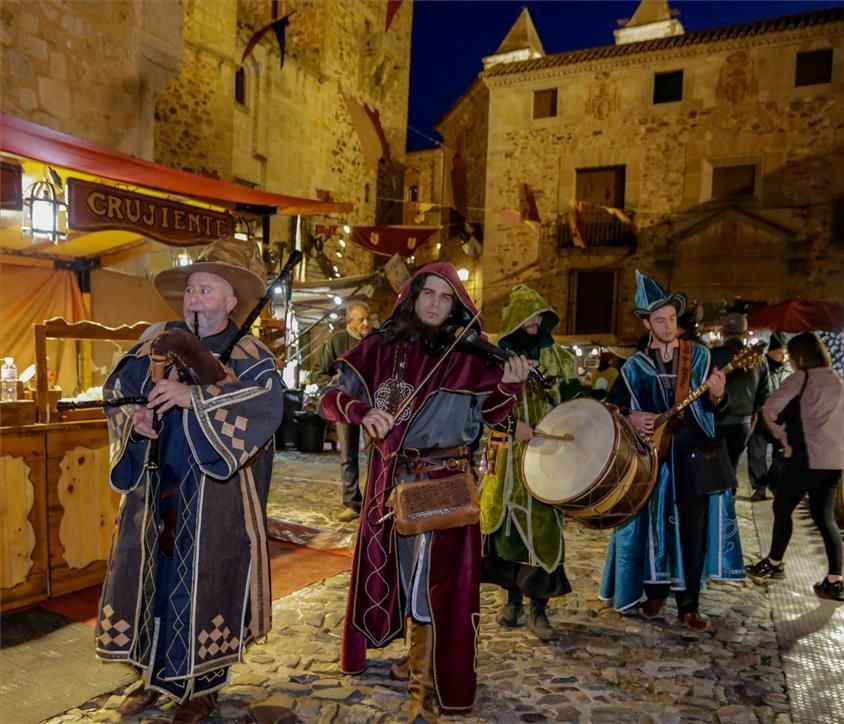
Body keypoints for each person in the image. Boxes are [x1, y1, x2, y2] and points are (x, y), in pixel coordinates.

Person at [319, 263, 529, 722]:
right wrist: (359, 410)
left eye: (445, 297)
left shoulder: (472, 357)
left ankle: (425, 694)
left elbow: (491, 416)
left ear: (456, 305)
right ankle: (416, 663)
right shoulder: (380, 347)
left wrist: (510, 386)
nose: (435, 303)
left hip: (449, 485)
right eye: (428, 293)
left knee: (434, 589)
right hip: (391, 482)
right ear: (412, 297)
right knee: (401, 579)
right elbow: (329, 395)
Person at [97, 239, 283, 723]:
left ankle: (202, 686)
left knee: (207, 587)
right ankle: (148, 675)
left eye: (207, 290)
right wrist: (135, 421)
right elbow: (118, 390)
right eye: (191, 290)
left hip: (214, 499)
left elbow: (263, 409)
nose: (195, 299)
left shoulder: (251, 356)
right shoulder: (156, 341)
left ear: (230, 302)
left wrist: (192, 398)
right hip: (154, 491)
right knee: (149, 585)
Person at [600, 271, 744, 633]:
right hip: (653, 463)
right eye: (660, 320)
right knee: (654, 529)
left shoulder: (698, 357)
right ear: (647, 323)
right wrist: (633, 416)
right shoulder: (633, 367)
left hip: (694, 460)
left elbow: (717, 408)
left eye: (672, 319)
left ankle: (689, 605)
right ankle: (655, 591)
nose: (668, 326)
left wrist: (717, 393)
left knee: (692, 533)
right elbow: (612, 407)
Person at [480, 285, 579, 641]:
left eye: (539, 318)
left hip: (547, 458)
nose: (535, 324)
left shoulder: (558, 358)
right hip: (506, 460)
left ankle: (540, 609)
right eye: (528, 318)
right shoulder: (495, 357)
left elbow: (575, 405)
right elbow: (483, 407)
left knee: (543, 531)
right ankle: (513, 601)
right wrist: (511, 425)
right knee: (507, 534)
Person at [745, 332, 844, 602]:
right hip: (833, 462)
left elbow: (770, 408)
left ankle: (774, 563)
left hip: (805, 459)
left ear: (800, 355)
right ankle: (835, 581)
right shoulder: (836, 379)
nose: (790, 361)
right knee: (825, 518)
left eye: (792, 356)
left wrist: (783, 437)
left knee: (782, 508)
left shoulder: (801, 378)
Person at [313, 301, 372, 522]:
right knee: (348, 455)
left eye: (368, 318)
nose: (366, 323)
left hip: (371, 408)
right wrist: (336, 392)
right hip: (345, 407)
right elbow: (319, 373)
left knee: (376, 454)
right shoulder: (337, 340)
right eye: (361, 319)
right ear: (349, 321)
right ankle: (352, 503)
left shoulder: (375, 342)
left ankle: (374, 500)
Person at [710, 313, 769, 470]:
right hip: (742, 424)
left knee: (713, 472)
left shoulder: (711, 356)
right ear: (744, 334)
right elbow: (764, 394)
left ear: (722, 332)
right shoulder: (759, 359)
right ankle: (730, 494)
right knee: (731, 469)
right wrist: (753, 414)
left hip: (714, 423)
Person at [746, 332, 794, 501]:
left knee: (781, 455)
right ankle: (759, 487)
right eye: (781, 352)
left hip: (781, 419)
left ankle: (775, 483)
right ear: (772, 351)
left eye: (786, 352)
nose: (784, 356)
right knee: (756, 454)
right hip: (761, 417)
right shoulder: (760, 365)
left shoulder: (789, 369)